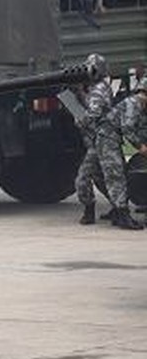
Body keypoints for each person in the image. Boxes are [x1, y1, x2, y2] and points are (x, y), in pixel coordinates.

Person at [75, 53, 142, 230]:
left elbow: (94, 113)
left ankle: (122, 213)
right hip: (98, 140)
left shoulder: (99, 88)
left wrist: (82, 120)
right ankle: (104, 208)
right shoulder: (95, 88)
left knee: (114, 175)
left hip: (106, 138)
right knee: (88, 177)